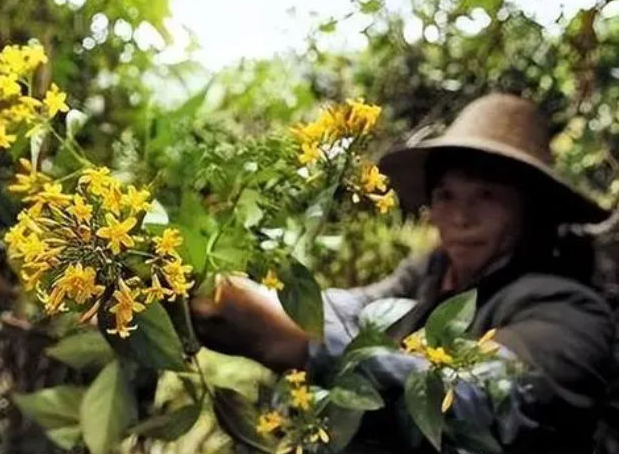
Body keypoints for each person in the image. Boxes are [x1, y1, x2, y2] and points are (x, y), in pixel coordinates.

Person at [191, 93, 617, 454]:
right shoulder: (430, 274)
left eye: (486, 196)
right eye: (446, 196)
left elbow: (479, 397)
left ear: (530, 208)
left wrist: (305, 343)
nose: (460, 217)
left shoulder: (571, 313)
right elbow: (358, 306)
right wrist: (260, 298)